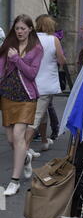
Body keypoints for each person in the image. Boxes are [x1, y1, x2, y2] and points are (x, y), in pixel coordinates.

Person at [0, 15, 43, 196]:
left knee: (19, 135)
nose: (19, 32)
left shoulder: (36, 48)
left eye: (23, 29)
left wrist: (17, 58)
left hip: (26, 97)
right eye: (17, 28)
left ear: (30, 29)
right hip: (8, 95)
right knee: (11, 140)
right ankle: (25, 157)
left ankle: (14, 181)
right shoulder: (8, 45)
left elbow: (32, 74)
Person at [25, 14, 66, 161]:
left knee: (42, 114)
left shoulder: (31, 39)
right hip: (46, 84)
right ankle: (24, 149)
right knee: (36, 117)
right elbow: (61, 60)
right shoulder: (53, 39)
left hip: (31, 82)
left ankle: (43, 141)